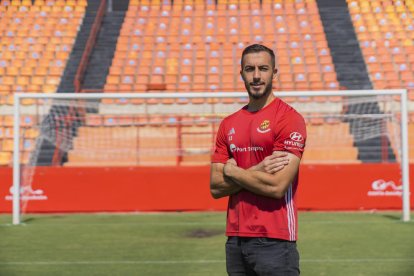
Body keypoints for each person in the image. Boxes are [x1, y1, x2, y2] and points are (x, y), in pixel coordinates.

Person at [210, 44, 306, 276]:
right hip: (235, 239)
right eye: (249, 69)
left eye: (263, 69)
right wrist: (257, 169)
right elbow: (215, 187)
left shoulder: (289, 119)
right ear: (241, 73)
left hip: (275, 239)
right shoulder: (228, 123)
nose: (256, 76)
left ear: (274, 73)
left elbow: (276, 186)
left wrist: (233, 172)